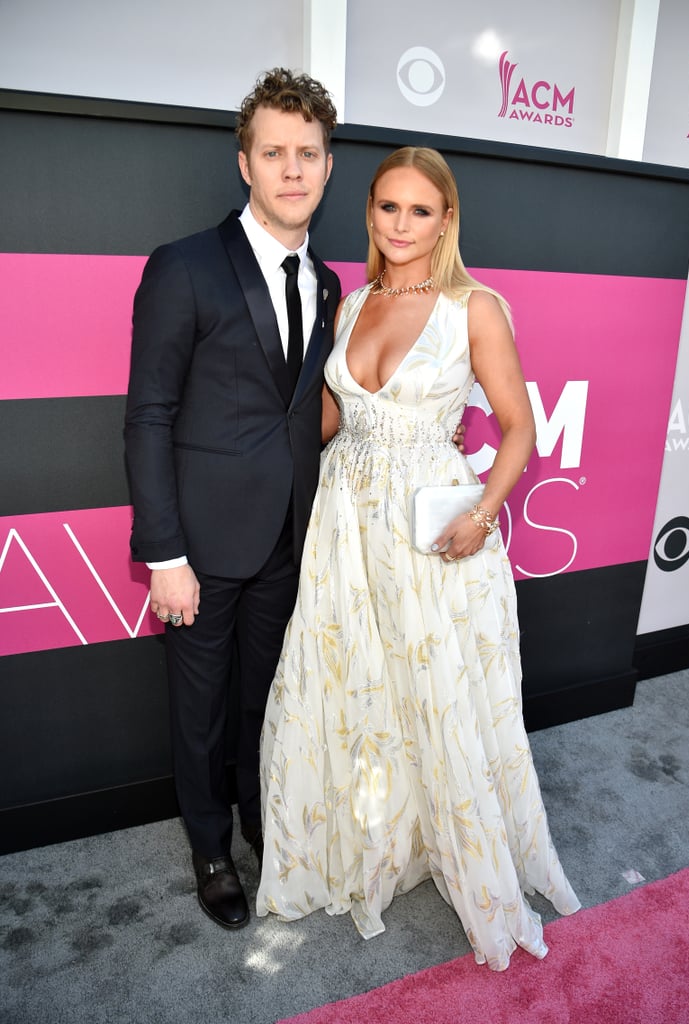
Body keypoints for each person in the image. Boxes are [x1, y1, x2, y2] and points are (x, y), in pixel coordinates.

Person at [256, 146, 581, 970]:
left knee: (435, 696)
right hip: (345, 525)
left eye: (420, 210)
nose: (401, 225)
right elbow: (324, 424)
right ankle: (376, 841)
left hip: (431, 526)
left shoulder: (473, 308)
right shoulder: (350, 304)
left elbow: (518, 428)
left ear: (446, 219)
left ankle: (459, 851)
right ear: (369, 213)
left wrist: (483, 511)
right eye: (388, 208)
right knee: (354, 683)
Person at [124, 68, 341, 930]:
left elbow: (307, 411)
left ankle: (262, 822)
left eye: (309, 155)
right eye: (275, 153)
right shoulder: (183, 267)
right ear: (244, 164)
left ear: (328, 168)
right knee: (202, 710)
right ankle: (211, 849)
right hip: (202, 550)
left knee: (268, 699)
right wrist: (165, 555)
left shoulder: (326, 284)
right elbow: (148, 416)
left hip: (290, 537)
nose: (293, 170)